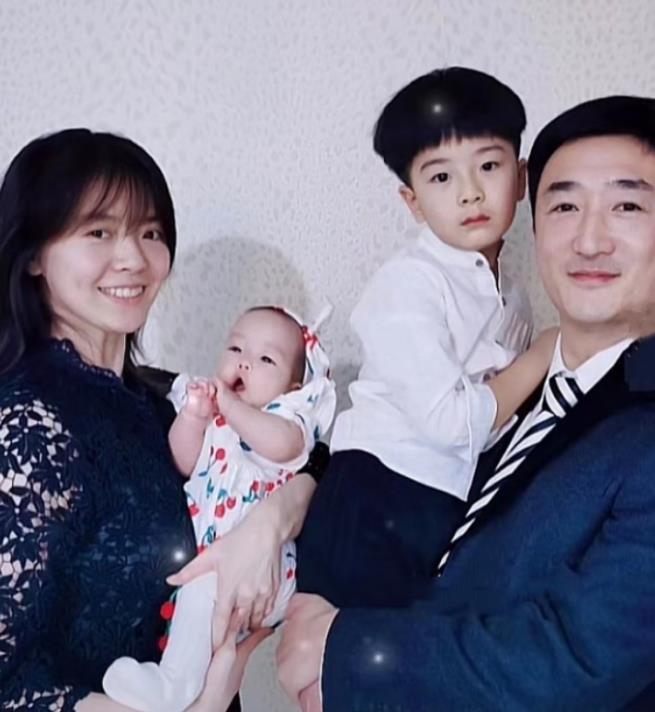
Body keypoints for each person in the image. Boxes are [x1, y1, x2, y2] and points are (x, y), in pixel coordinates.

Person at [278, 94, 655, 711]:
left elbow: (576, 657)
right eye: (565, 205)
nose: (590, 240)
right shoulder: (508, 377)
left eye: (627, 205)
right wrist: (282, 509)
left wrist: (344, 652)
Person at [0, 128, 328, 712]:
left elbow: (317, 456)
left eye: (150, 232)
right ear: (33, 257)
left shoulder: (160, 399)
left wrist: (269, 524)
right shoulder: (28, 421)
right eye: (99, 232)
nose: (134, 258)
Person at [297, 67, 555, 609]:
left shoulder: (513, 293)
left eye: (489, 166)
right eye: (441, 177)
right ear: (412, 201)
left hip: (442, 505)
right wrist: (547, 352)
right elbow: (450, 422)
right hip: (376, 498)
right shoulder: (407, 285)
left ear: (522, 178)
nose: (470, 192)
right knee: (350, 656)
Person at [103, 305, 336, 712]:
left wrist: (229, 405)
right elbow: (183, 462)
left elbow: (288, 447)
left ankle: (173, 687)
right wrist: (194, 419)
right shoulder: (214, 418)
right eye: (236, 348)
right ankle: (187, 692)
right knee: (197, 614)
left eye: (266, 359)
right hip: (216, 564)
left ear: (293, 386)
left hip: (266, 573)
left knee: (201, 598)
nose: (244, 362)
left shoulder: (287, 417)